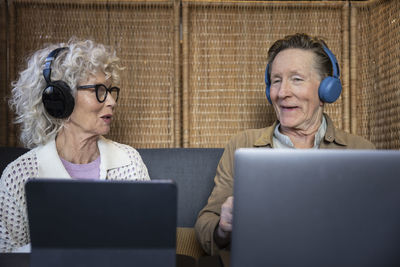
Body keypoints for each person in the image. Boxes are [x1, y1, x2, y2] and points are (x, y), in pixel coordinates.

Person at [194, 33, 375, 256]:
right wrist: (223, 227)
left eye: (297, 79)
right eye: (276, 80)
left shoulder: (361, 151)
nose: (282, 93)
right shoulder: (242, 145)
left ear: (327, 90)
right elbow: (204, 226)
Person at [0, 38, 150, 252]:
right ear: (60, 99)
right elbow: (5, 256)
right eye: (98, 91)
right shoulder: (19, 176)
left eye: (110, 90)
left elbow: (147, 244)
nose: (111, 102)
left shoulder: (129, 162)